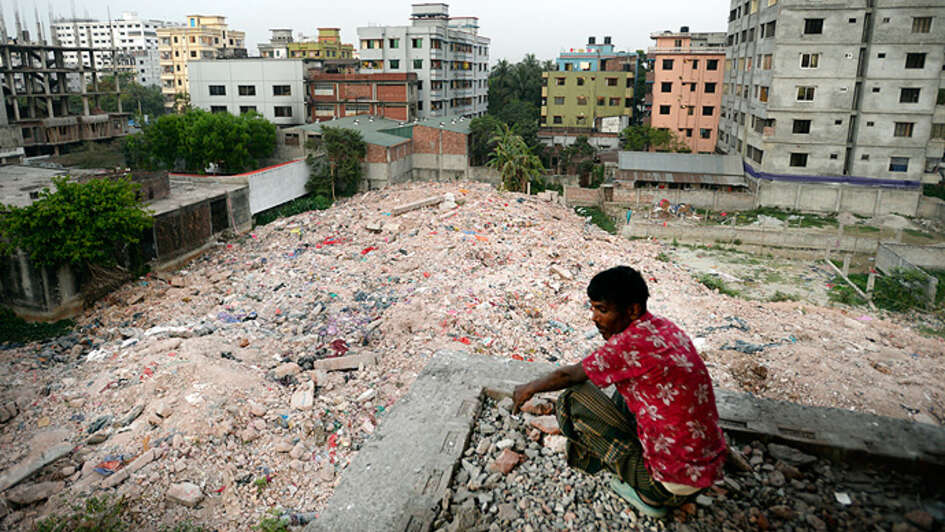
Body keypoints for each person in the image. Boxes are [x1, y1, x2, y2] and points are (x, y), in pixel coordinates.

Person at [512, 266, 726, 518]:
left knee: (573, 397)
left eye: (602, 310)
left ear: (633, 310)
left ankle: (646, 494)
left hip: (667, 485)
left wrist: (529, 388)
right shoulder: (664, 327)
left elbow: (569, 376)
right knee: (623, 385)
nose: (594, 318)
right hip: (708, 468)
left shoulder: (627, 345)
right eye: (593, 308)